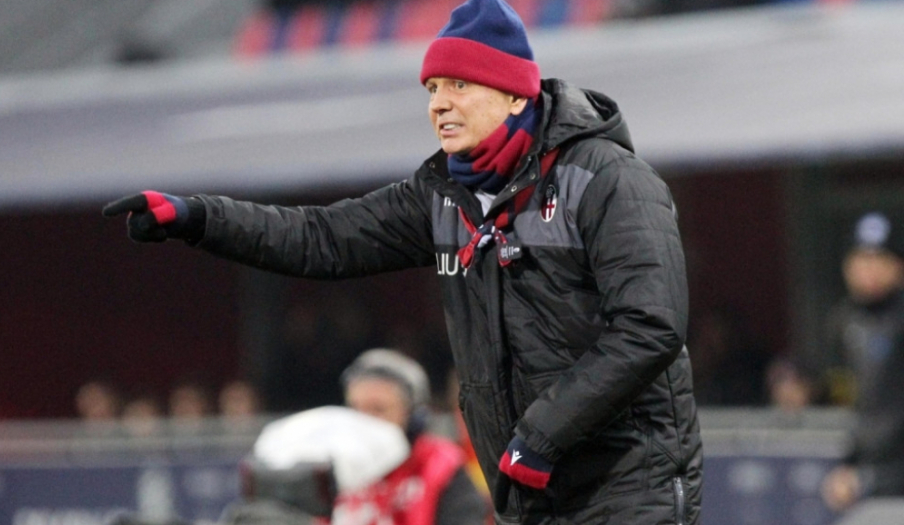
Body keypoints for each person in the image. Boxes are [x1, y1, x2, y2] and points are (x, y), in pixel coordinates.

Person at [103, 0, 702, 522]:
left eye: (458, 85)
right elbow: (320, 236)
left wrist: (543, 435)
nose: (439, 104)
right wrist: (199, 218)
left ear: (514, 92)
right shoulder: (442, 194)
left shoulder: (609, 180)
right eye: (431, 89)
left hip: (630, 483)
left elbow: (649, 326)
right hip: (529, 491)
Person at [335, 348, 490, 524]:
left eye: (378, 409)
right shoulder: (331, 467)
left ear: (413, 415)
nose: (363, 421)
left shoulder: (441, 465)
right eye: (355, 409)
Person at [815, 211, 904, 513]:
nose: (869, 269)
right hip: (861, 476)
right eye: (861, 259)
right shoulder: (842, 321)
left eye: (879, 259)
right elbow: (842, 400)